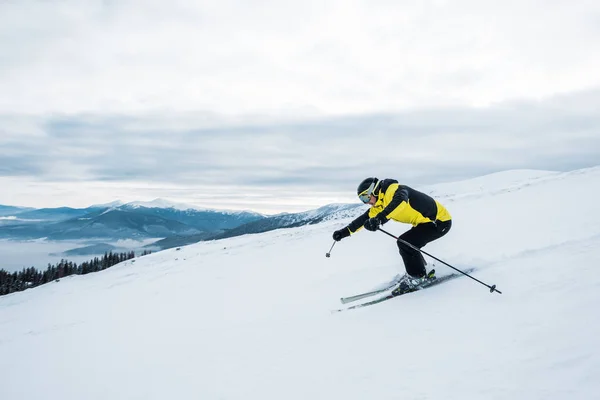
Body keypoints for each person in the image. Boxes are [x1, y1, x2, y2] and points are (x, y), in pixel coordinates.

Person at [332, 177, 452, 293]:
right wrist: (343, 233)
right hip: (425, 223)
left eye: (365, 198)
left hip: (439, 222)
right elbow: (362, 220)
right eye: (362, 200)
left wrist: (379, 219)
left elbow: (399, 202)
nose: (366, 202)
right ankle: (420, 271)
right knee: (408, 242)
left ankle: (417, 277)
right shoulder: (380, 203)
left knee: (405, 243)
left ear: (373, 191)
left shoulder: (393, 190)